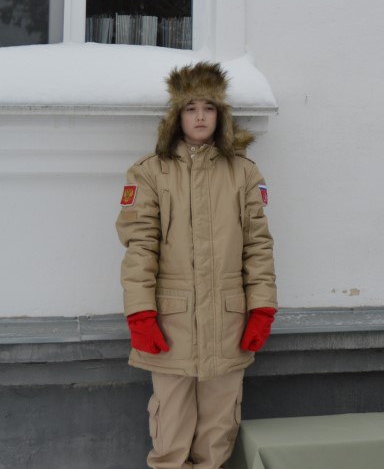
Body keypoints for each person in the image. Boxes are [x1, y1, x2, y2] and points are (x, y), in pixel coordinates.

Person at [117, 61, 277, 469]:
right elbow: (140, 248)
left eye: (209, 107)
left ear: (221, 114)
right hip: (171, 324)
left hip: (228, 324)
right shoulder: (150, 173)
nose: (201, 116)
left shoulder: (243, 172)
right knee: (170, 430)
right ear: (177, 117)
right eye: (191, 108)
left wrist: (261, 308)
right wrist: (140, 313)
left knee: (218, 430)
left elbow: (258, 246)